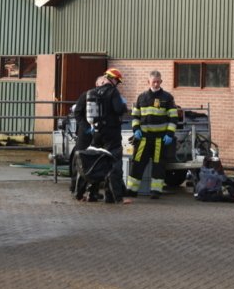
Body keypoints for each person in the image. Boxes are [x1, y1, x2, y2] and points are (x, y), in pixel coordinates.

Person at [71, 68, 128, 204]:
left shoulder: (92, 92)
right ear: (113, 79)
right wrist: (123, 105)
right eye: (117, 81)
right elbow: (119, 109)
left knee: (92, 163)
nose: (117, 84)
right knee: (114, 164)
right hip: (111, 135)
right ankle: (114, 197)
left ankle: (81, 194)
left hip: (96, 134)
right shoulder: (113, 92)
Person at [126, 70, 178, 199]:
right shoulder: (141, 97)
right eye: (153, 81)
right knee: (137, 163)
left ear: (161, 82)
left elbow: (173, 118)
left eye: (158, 81)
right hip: (143, 138)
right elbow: (135, 116)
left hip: (160, 138)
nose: (155, 84)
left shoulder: (167, 97)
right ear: (148, 82)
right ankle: (132, 190)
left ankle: (156, 191)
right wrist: (136, 129)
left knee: (158, 165)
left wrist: (170, 134)